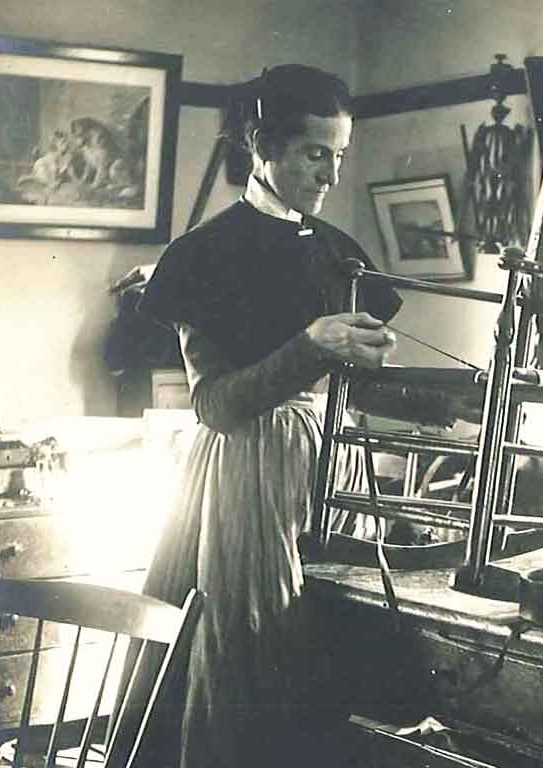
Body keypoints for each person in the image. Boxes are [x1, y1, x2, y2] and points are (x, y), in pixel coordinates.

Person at [130, 64, 402, 768]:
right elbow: (217, 404)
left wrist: (371, 365)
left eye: (339, 156)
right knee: (254, 658)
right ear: (262, 142)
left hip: (333, 467)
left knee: (339, 643)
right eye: (316, 154)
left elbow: (351, 388)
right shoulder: (202, 256)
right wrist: (311, 345)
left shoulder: (342, 254)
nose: (330, 174)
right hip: (246, 476)